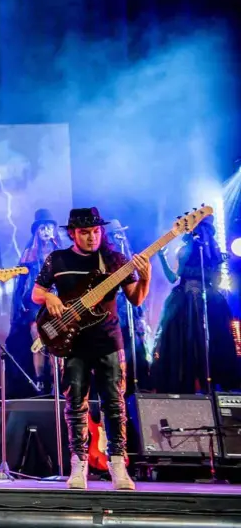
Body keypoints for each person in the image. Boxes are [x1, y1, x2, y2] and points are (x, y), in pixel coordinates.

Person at [31, 207, 151, 490]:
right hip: (72, 342)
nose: (91, 237)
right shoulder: (57, 259)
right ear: (72, 233)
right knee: (75, 404)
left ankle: (118, 463)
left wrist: (145, 277)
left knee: (115, 403)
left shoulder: (114, 260)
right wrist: (49, 297)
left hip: (108, 339)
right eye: (85, 232)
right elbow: (36, 292)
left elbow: (135, 299)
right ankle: (78, 463)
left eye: (96, 231)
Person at [152, 216, 237, 394]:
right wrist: (162, 258)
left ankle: (215, 386)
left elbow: (217, 280)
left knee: (213, 343)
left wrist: (218, 264)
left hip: (209, 303)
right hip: (184, 303)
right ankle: (188, 389)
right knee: (185, 345)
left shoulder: (215, 254)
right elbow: (173, 278)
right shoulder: (185, 250)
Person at [5, 209, 59, 398]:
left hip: (56, 303)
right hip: (35, 304)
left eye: (49, 227)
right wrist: (20, 303)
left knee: (55, 340)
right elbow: (21, 282)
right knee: (38, 339)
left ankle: (55, 381)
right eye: (42, 228)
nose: (46, 231)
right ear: (37, 231)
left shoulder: (59, 253)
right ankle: (39, 381)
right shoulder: (29, 254)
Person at [105, 219, 152, 393]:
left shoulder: (129, 256)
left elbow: (137, 294)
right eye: (114, 235)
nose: (118, 238)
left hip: (131, 312)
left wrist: (140, 316)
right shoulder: (106, 260)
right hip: (113, 317)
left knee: (136, 350)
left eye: (120, 233)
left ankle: (138, 388)